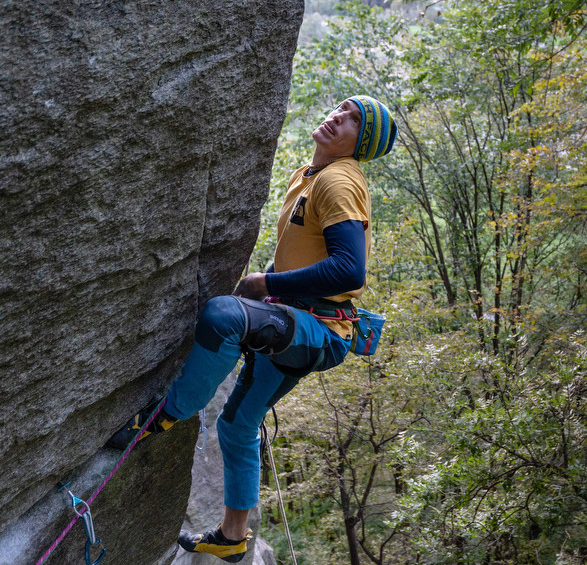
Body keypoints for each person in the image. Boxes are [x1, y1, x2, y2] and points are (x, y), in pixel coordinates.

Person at [107, 95, 397, 562]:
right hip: (302, 323)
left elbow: (350, 271)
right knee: (239, 424)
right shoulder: (310, 175)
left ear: (359, 143)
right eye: (343, 107)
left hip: (317, 329)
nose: (340, 116)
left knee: (224, 316)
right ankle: (233, 538)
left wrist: (266, 282)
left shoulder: (340, 181)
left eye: (354, 120)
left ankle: (166, 414)